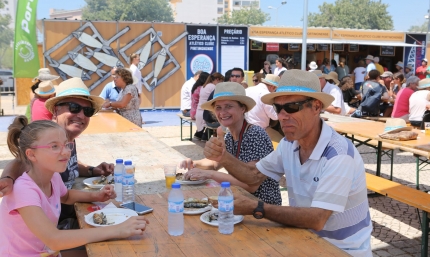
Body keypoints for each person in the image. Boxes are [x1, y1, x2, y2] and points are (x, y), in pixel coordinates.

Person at [203, 70, 372, 256]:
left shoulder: (338, 154)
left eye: (292, 107)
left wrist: (257, 208)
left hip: (342, 249)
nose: (282, 116)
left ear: (316, 107)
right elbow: (254, 176)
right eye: (278, 108)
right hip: (304, 239)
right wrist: (223, 157)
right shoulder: (289, 144)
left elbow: (317, 219)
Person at [0, 117, 149, 256]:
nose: (65, 152)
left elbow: (66, 196)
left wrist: (96, 196)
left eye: (66, 145)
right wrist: (117, 229)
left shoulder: (53, 176)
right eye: (54, 146)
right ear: (31, 155)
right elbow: (53, 239)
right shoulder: (24, 190)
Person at [0, 77, 114, 229]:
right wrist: (7, 178)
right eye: (74, 107)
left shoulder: (66, 140)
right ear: (56, 110)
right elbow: (20, 161)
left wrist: (92, 170)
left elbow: (69, 171)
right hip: (50, 227)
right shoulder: (47, 138)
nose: (81, 115)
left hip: (63, 214)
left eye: (87, 111)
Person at [180, 82, 282, 205]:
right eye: (218, 107)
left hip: (263, 208)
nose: (222, 112)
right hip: (243, 203)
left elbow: (250, 185)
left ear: (243, 108)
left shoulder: (255, 134)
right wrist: (194, 164)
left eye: (228, 106)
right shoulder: (229, 135)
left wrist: (208, 174)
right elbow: (214, 163)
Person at [196, 73, 224, 141]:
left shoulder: (204, 86)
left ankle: (203, 135)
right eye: (221, 81)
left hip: (199, 112)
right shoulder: (213, 87)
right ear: (217, 80)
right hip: (206, 112)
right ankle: (206, 136)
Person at [190, 72, 210, 139]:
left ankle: (199, 133)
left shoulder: (195, 86)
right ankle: (204, 135)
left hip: (192, 111)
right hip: (197, 112)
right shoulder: (202, 88)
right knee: (209, 118)